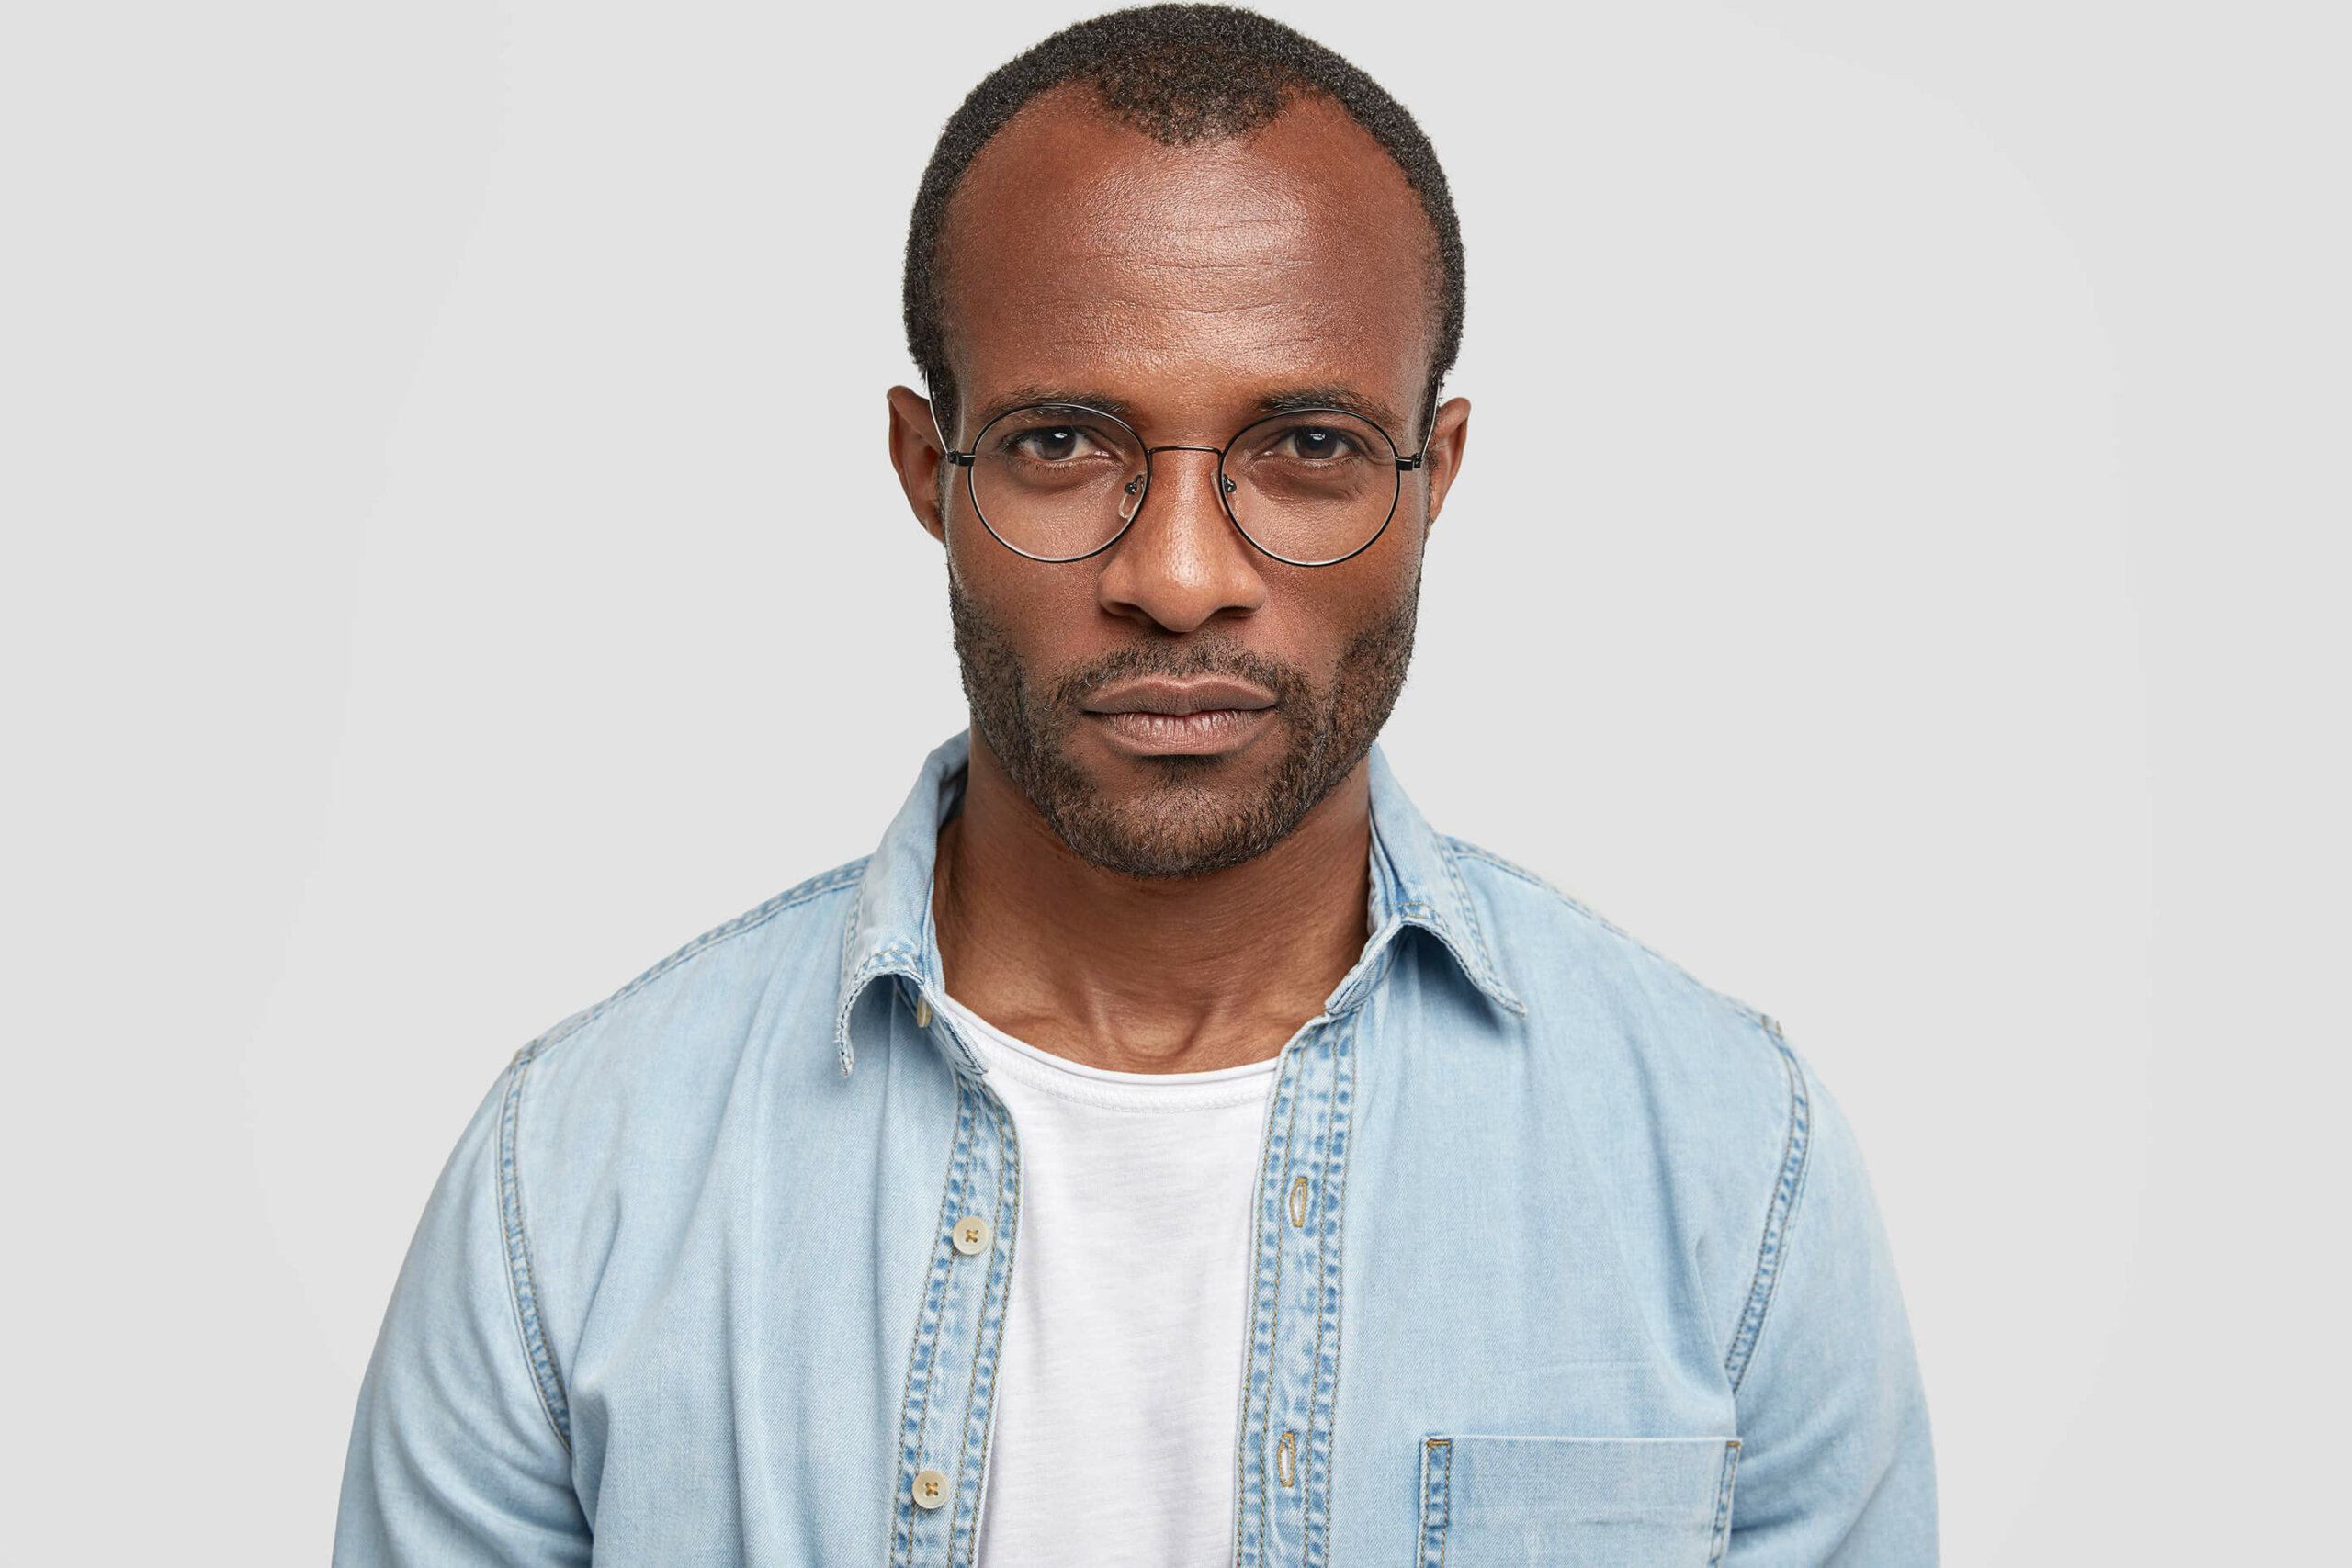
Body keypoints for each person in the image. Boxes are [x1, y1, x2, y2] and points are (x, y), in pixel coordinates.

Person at [334, 6, 1936, 1563]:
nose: (1177, 579)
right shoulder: (578, 1179)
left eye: (1307, 446)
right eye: (1063, 445)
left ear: (1433, 476)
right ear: (924, 467)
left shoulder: (1727, 1161)